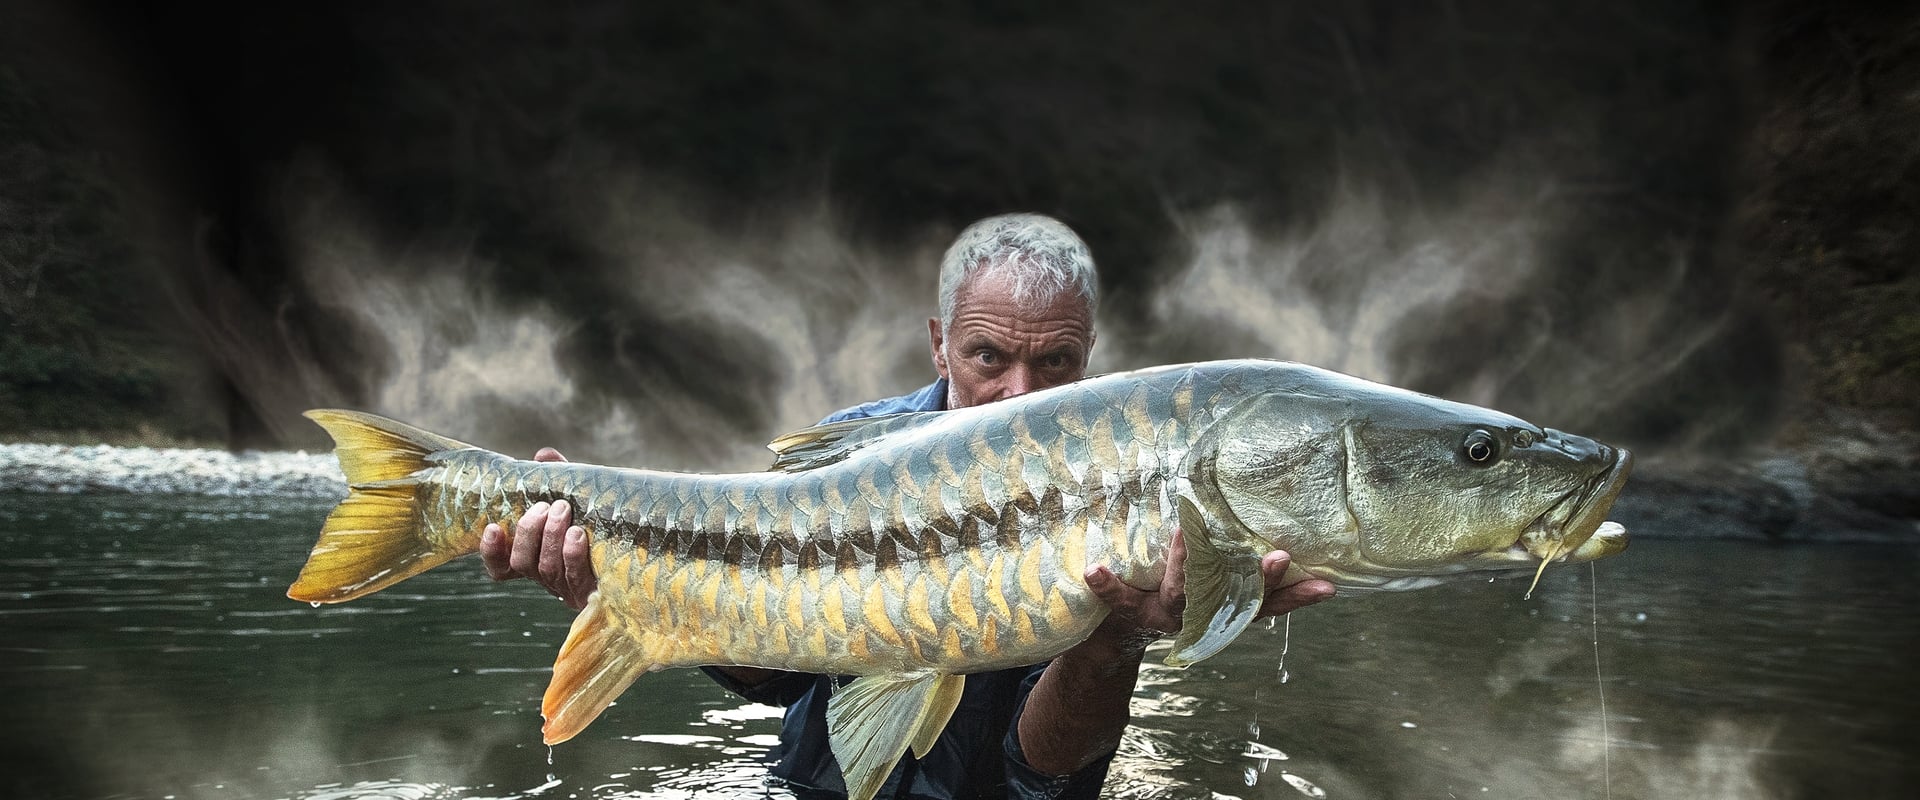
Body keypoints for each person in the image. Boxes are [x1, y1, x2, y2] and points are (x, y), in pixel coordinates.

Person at [479, 213, 1336, 798]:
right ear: (939, 343)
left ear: (1090, 357)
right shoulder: (858, 446)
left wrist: (1117, 633)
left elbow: (1040, 777)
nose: (1016, 393)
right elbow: (777, 673)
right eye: (988, 357)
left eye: (1057, 365)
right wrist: (620, 591)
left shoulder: (1129, 480)